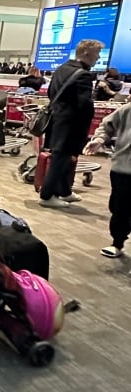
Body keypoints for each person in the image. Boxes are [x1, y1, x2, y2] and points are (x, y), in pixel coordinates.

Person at [39, 39, 102, 209]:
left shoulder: (61, 69)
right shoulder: (84, 75)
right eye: (97, 54)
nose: (98, 57)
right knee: (61, 158)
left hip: (57, 120)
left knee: (64, 159)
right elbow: (85, 105)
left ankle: (65, 191)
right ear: (87, 53)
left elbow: (52, 92)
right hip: (71, 125)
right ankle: (47, 195)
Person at [84, 102, 131, 257]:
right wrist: (99, 139)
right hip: (124, 168)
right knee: (119, 208)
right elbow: (107, 125)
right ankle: (117, 242)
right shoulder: (127, 109)